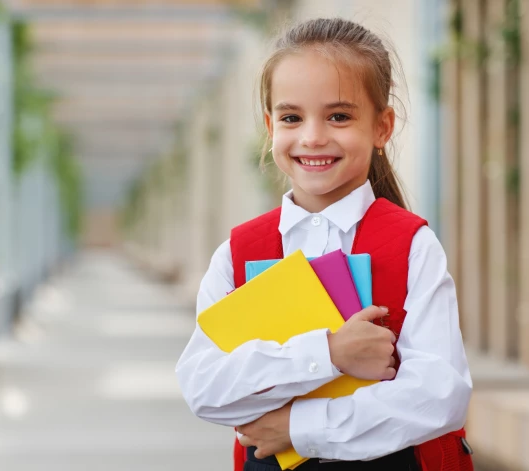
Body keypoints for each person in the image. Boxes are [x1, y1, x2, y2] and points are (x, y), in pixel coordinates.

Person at [175, 17, 473, 471]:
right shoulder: (237, 254)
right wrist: (328, 353)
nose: (313, 136)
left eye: (339, 116)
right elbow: (205, 388)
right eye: (292, 117)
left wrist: (298, 429)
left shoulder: (412, 245)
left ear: (382, 127)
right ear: (270, 125)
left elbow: (439, 395)